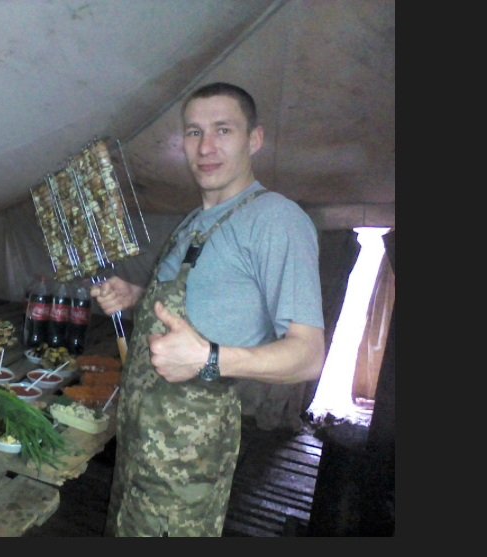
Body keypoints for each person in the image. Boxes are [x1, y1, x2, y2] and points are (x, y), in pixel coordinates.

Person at [92, 82, 325, 537]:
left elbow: (309, 355)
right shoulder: (192, 222)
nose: (206, 147)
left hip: (187, 463)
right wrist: (135, 295)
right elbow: (202, 304)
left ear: (254, 139)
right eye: (194, 132)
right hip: (137, 447)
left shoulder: (276, 219)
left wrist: (209, 359)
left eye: (223, 130)